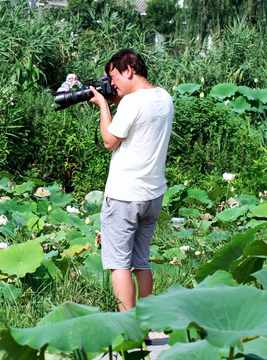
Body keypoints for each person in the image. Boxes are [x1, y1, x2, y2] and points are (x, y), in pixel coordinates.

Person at [88, 49, 174, 312]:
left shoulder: (132, 103)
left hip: (125, 196)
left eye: (113, 76)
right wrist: (116, 101)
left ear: (129, 70)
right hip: (152, 195)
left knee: (119, 264)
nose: (111, 83)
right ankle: (145, 325)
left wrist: (103, 105)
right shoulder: (163, 97)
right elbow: (138, 124)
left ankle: (128, 328)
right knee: (141, 262)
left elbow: (109, 141)